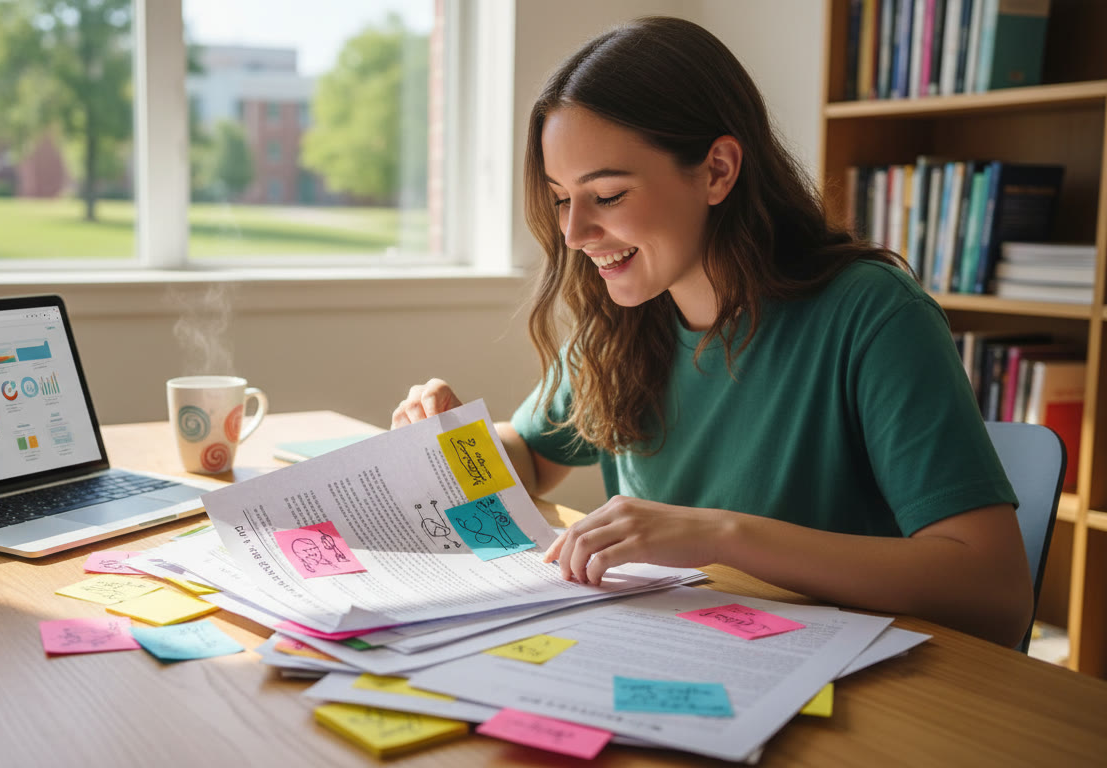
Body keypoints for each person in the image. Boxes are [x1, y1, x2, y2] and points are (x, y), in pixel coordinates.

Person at [391, 17, 1032, 648]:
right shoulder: (624, 317)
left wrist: (722, 535)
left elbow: (995, 593)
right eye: (561, 197)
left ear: (718, 170)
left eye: (607, 195)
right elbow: (530, 456)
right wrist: (449, 448)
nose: (573, 233)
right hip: (682, 655)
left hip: (841, 689)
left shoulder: (871, 313)